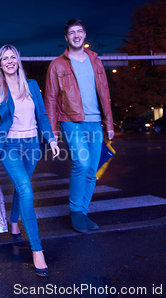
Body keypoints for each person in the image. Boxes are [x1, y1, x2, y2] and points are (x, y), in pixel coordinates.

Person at [0, 44, 59, 277]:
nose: (10, 61)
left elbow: (42, 116)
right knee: (26, 189)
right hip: (10, 148)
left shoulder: (31, 85)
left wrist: (51, 140)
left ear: (18, 60)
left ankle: (14, 220)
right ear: (0, 64)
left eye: (13, 57)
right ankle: (37, 250)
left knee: (20, 188)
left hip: (33, 145)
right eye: (5, 58)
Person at [44, 19, 114, 233]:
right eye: (72, 32)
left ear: (85, 35)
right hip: (70, 121)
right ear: (66, 37)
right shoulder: (57, 65)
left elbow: (105, 92)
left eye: (80, 31)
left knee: (92, 170)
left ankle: (83, 212)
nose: (76, 35)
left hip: (95, 122)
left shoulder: (95, 60)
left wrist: (109, 122)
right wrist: (51, 133)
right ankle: (75, 211)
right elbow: (50, 99)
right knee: (81, 164)